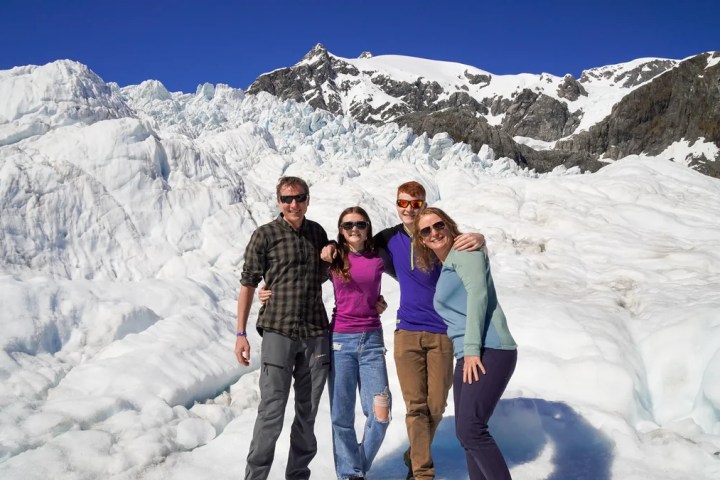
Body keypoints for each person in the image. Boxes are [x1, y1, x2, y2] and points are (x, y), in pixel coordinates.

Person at [260, 206, 391, 480]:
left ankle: (356, 466)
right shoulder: (333, 258)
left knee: (380, 412)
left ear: (368, 227)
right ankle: (350, 475)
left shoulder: (380, 257)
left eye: (360, 224)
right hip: (340, 341)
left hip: (372, 342)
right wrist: (267, 290)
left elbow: (411, 277)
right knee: (341, 418)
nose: (354, 229)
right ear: (340, 230)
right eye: (347, 225)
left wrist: (381, 303)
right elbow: (299, 274)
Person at [365, 181, 484, 480]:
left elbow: (469, 248)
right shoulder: (387, 239)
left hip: (443, 332)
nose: (408, 209)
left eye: (415, 203)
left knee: (436, 406)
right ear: (396, 204)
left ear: (424, 204)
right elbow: (357, 257)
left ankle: (413, 453)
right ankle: (422, 473)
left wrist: (481, 238)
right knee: (415, 407)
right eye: (403, 203)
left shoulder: (436, 235)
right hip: (407, 332)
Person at [234, 176, 332, 480]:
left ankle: (298, 476)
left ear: (307, 200)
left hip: (315, 332)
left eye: (299, 198)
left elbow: (326, 274)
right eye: (287, 199)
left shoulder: (317, 233)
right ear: (278, 201)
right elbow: (249, 283)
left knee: (308, 413)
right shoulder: (264, 235)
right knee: (272, 411)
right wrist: (240, 334)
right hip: (278, 329)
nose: (294, 204)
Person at [413, 207, 517, 480]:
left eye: (438, 226)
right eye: (426, 230)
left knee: (471, 429)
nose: (434, 232)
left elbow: (478, 300)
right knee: (467, 432)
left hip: (488, 349)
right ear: (422, 240)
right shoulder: (450, 263)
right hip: (470, 352)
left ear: (448, 226)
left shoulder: (465, 253)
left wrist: (472, 351)